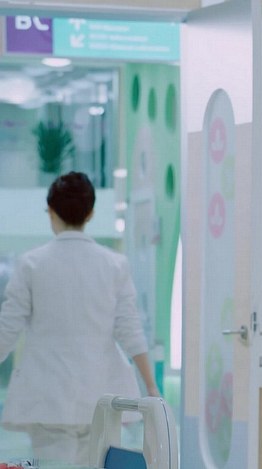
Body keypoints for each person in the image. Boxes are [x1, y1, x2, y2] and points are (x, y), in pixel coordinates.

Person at [0, 171, 159, 464]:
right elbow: (130, 330)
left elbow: (7, 330)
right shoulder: (114, 265)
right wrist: (151, 385)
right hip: (101, 395)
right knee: (99, 463)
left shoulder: (31, 264)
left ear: (51, 212)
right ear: (91, 213)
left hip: (46, 397)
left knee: (51, 465)